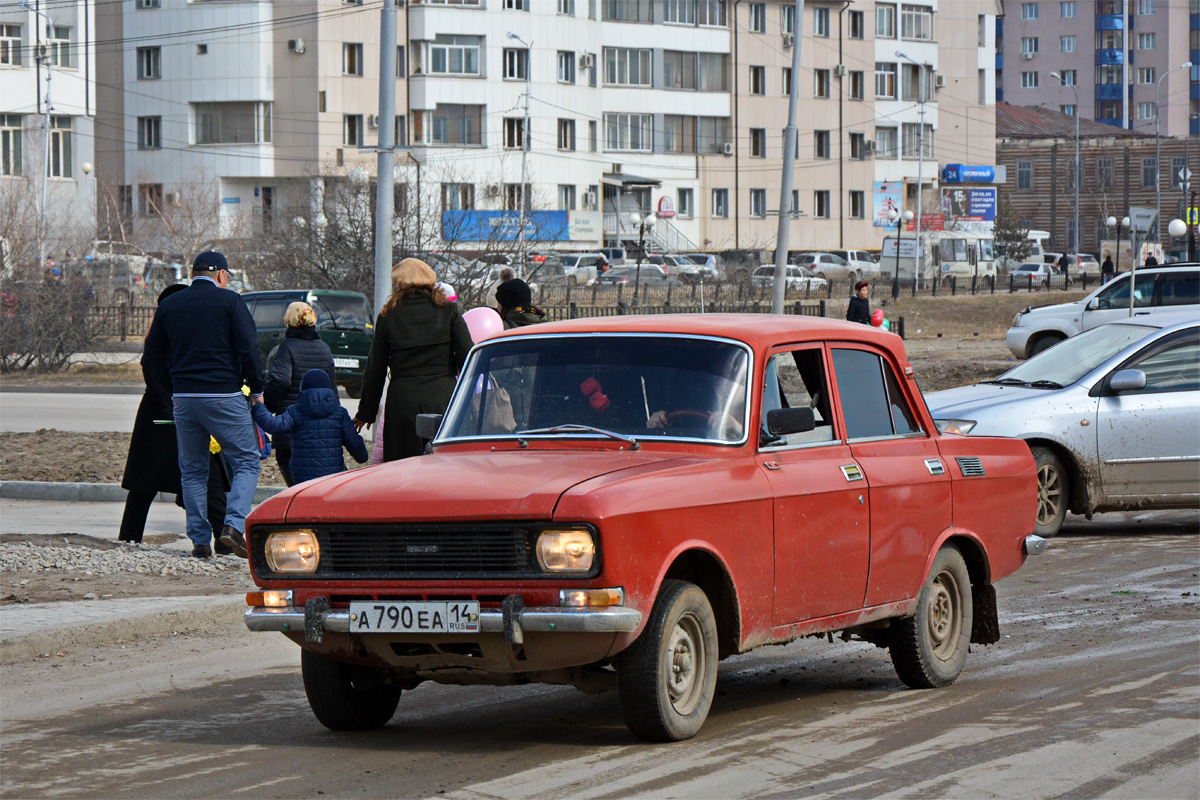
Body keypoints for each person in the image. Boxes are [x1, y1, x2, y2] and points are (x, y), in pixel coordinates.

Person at [142, 251, 264, 559]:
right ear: (221, 275)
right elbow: (249, 348)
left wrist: (171, 391)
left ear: (192, 272)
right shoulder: (231, 302)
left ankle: (198, 541)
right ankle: (233, 526)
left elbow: (152, 357)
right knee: (247, 461)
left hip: (184, 398)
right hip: (224, 395)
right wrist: (257, 389)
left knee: (193, 470)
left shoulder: (170, 305)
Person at [118, 283, 230, 549]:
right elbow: (153, 371)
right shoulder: (163, 332)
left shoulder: (186, 330)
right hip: (162, 418)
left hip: (185, 412)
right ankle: (129, 540)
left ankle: (223, 540)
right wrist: (173, 404)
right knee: (146, 483)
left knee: (207, 479)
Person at [353, 258, 474, 461]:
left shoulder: (388, 316)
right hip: (443, 398)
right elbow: (467, 358)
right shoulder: (448, 311)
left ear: (399, 284)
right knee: (445, 465)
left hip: (403, 403)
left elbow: (376, 368)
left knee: (404, 469)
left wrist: (366, 412)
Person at [263, 301, 337, 486]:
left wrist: (270, 406)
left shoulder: (287, 347)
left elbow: (280, 380)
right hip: (321, 430)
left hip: (291, 428)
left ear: (290, 321)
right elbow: (333, 391)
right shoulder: (324, 348)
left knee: (295, 485)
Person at [252, 369, 368, 484]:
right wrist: (362, 456)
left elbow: (273, 425)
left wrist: (258, 406)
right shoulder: (339, 414)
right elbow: (355, 445)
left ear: (302, 389)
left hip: (302, 480)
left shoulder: (295, 412)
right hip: (332, 478)